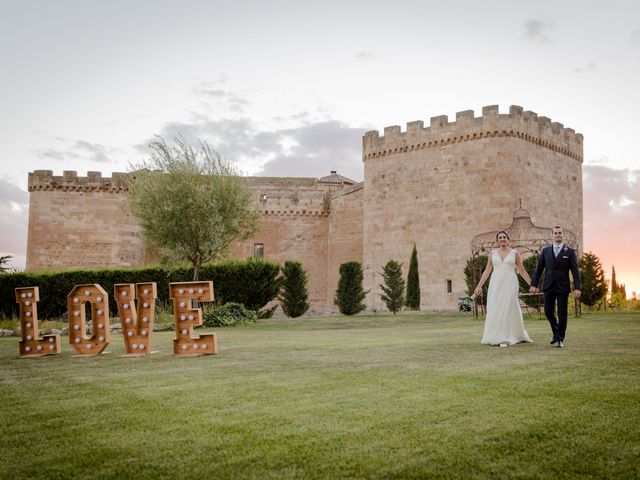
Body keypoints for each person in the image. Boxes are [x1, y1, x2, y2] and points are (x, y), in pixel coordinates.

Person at [474, 231, 533, 346]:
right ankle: (498, 335)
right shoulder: (492, 253)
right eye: (500, 237)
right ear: (497, 240)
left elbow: (521, 270)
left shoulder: (515, 253)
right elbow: (487, 270)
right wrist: (479, 286)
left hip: (510, 283)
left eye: (504, 237)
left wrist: (532, 284)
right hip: (496, 283)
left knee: (508, 307)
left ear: (508, 239)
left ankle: (505, 338)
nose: (502, 239)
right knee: (496, 308)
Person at [529, 226, 581, 348]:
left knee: (562, 313)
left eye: (560, 233)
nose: (558, 235)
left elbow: (575, 271)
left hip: (563, 287)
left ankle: (560, 339)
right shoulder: (545, 251)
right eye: (556, 233)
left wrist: (577, 288)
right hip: (548, 285)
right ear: (552, 235)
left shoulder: (570, 252)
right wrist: (533, 284)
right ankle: (556, 332)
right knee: (547, 311)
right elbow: (539, 269)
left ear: (563, 235)